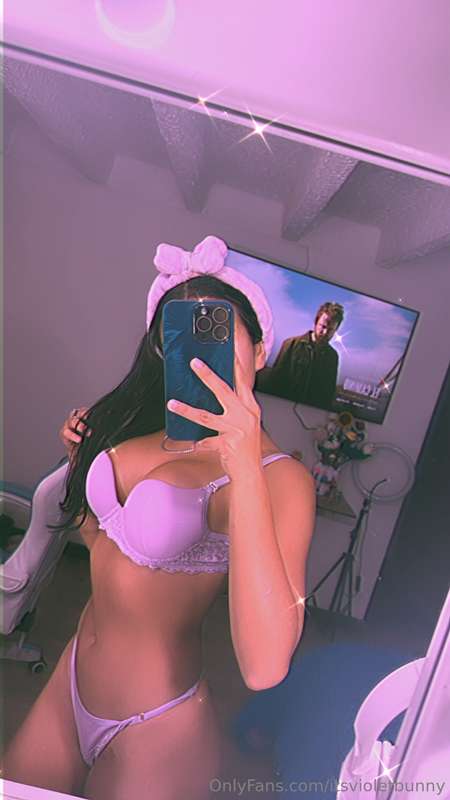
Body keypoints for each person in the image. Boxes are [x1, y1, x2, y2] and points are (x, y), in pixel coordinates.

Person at [1, 236, 315, 800]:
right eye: (177, 335)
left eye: (215, 330)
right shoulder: (143, 434)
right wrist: (82, 463)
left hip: (155, 724)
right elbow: (107, 550)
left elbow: (265, 666)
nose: (195, 352)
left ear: (260, 350)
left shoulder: (279, 477)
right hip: (71, 680)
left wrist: (243, 467)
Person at [255, 302, 344, 409]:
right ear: (316, 322)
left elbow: (327, 394)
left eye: (330, 330)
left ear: (335, 330)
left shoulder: (332, 357)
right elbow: (275, 382)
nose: (325, 332)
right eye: (323, 326)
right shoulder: (291, 344)